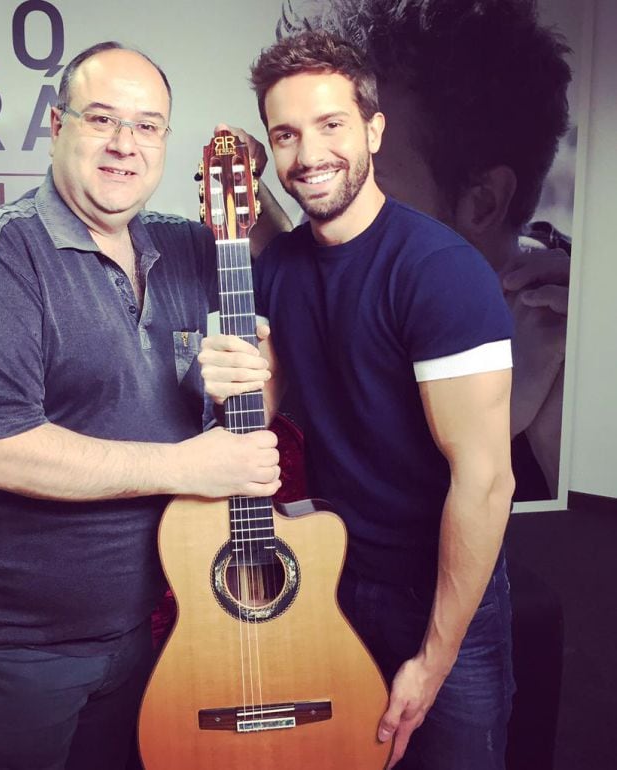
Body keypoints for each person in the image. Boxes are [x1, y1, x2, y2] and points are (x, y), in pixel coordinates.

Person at [0, 42, 283, 770]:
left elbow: (287, 265)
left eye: (146, 126)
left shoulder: (182, 246)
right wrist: (189, 466)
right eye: (102, 118)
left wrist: (256, 187)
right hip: (1, 646)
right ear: (57, 125)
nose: (123, 145)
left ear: (167, 141)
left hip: (133, 630)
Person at [200, 30, 516, 769]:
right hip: (334, 574)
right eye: (286, 134)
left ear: (374, 128)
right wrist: (235, 385)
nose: (309, 154)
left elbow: (486, 480)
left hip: (442, 588)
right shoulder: (278, 268)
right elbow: (275, 407)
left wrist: (433, 660)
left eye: (331, 124)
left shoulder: (440, 274)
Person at [277, 0, 573, 499]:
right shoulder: (318, 278)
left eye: (366, 175)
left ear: (482, 204)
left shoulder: (574, 338)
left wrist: (569, 435)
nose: (319, 191)